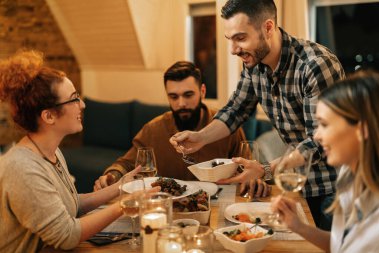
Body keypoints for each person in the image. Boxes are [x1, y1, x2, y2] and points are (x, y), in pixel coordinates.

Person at [170, 0, 345, 230]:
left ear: (268, 28)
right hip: (299, 185)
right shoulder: (254, 66)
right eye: (229, 39)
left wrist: (264, 169)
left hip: (337, 187)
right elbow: (235, 110)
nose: (233, 49)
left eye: (240, 38)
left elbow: (320, 142)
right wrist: (200, 137)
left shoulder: (315, 65)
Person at [0, 50, 158, 252]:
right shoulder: (22, 169)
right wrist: (125, 204)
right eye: (74, 99)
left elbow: (72, 204)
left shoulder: (52, 152)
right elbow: (67, 235)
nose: (82, 105)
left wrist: (120, 186)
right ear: (49, 116)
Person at [94, 61, 271, 198]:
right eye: (173, 96)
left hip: (218, 205)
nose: (181, 104)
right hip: (169, 210)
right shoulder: (153, 130)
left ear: (202, 91)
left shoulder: (225, 126)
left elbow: (248, 168)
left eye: (188, 95)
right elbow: (126, 164)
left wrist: (256, 181)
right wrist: (112, 175)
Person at [272, 71, 379, 252]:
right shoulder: (348, 177)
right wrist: (297, 226)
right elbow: (341, 246)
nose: (317, 136)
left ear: (362, 129)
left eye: (324, 124)